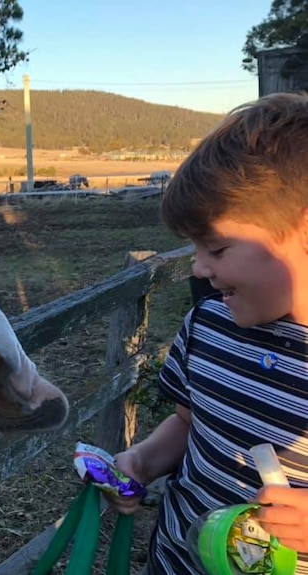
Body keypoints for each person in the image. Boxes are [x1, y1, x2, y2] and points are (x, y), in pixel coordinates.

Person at [108, 92, 308, 574]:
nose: (200, 268)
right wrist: (144, 460)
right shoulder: (208, 324)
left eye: (217, 249)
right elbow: (187, 422)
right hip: (175, 560)